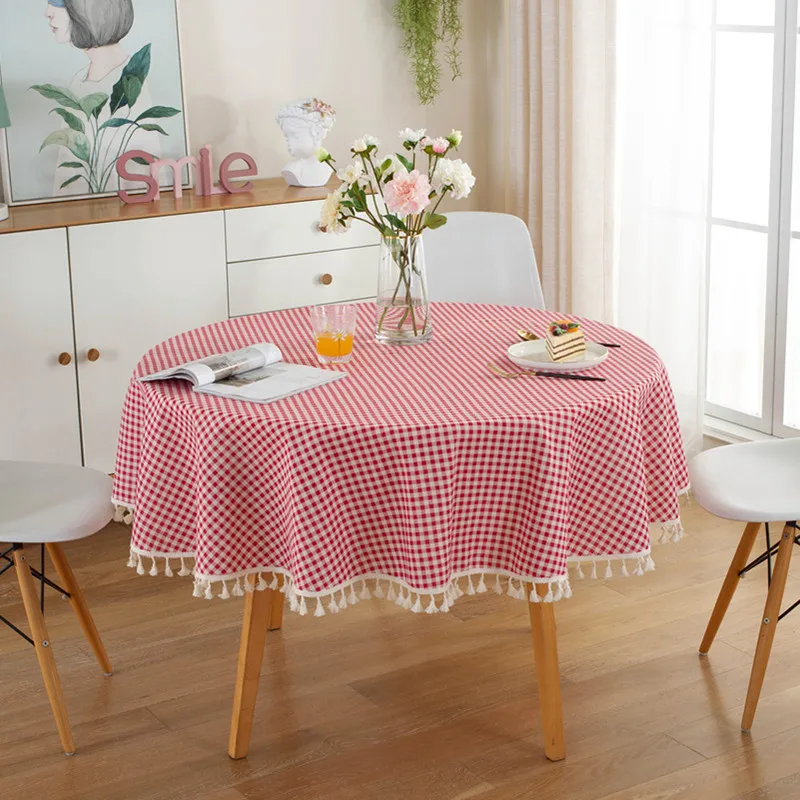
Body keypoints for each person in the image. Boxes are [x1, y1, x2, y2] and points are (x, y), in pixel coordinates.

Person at [43, 0, 161, 195]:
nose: (47, 12)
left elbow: (144, 176)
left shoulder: (131, 83)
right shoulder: (79, 81)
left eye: (59, 3)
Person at [276, 98, 336, 187]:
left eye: (294, 136)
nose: (288, 141)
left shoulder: (327, 168)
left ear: (318, 133)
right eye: (287, 136)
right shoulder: (291, 169)